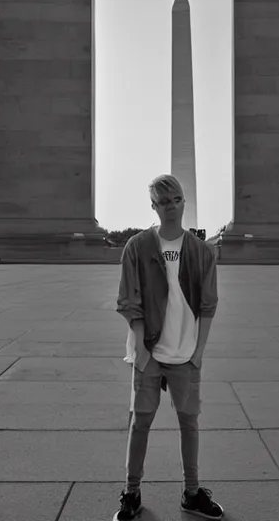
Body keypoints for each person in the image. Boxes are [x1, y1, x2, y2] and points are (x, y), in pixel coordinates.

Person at [113, 176, 223, 520]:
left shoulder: (201, 251)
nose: (171, 205)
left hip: (186, 353)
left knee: (189, 424)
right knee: (140, 423)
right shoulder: (137, 246)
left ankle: (192, 492)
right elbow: (128, 299)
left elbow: (208, 304)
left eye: (176, 199)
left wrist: (199, 351)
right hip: (147, 353)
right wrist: (143, 349)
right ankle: (131, 493)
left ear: (184, 202)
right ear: (154, 207)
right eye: (164, 201)